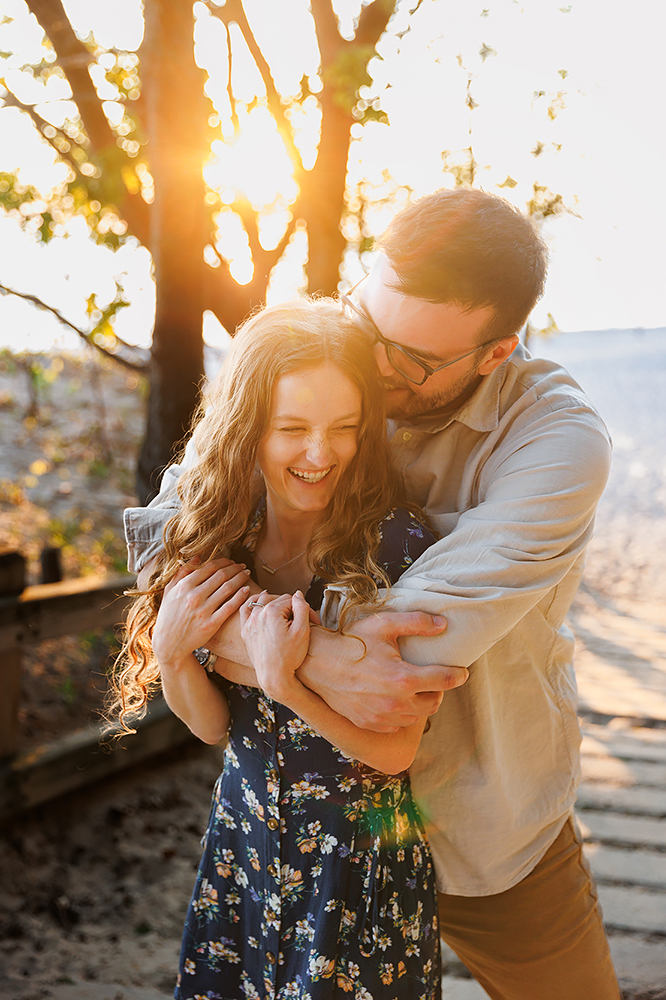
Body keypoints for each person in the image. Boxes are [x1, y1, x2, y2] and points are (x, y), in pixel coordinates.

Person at [124, 188, 620, 999]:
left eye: (414, 360)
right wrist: (239, 634)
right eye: (369, 325)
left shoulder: (557, 440)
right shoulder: (329, 367)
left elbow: (404, 655)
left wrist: (235, 636)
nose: (377, 365)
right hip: (318, 844)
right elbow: (168, 529)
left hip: (483, 820)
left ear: (495, 351)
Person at [111, 300, 444, 999]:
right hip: (244, 852)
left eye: (345, 429)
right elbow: (211, 727)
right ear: (247, 428)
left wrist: (286, 683)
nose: (321, 454)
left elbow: (395, 753)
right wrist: (172, 653)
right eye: (292, 428)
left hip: (355, 877)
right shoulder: (219, 535)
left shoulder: (394, 546)